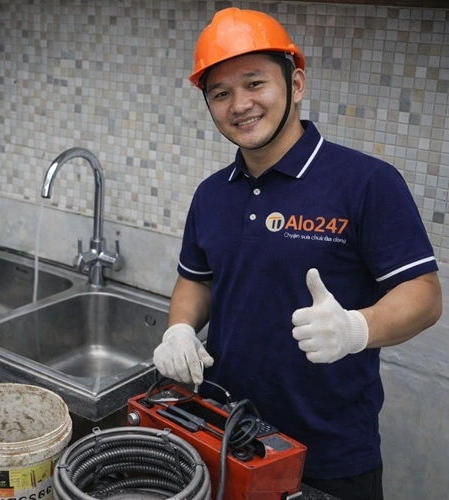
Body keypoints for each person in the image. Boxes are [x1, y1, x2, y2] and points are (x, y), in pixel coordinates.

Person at [152, 7, 442, 500]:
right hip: (226, 433)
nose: (240, 104)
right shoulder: (211, 194)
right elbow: (197, 279)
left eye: (255, 83)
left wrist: (357, 328)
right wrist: (179, 328)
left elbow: (424, 296)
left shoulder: (366, 182)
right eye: (220, 93)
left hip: (328, 455)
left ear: (297, 84)